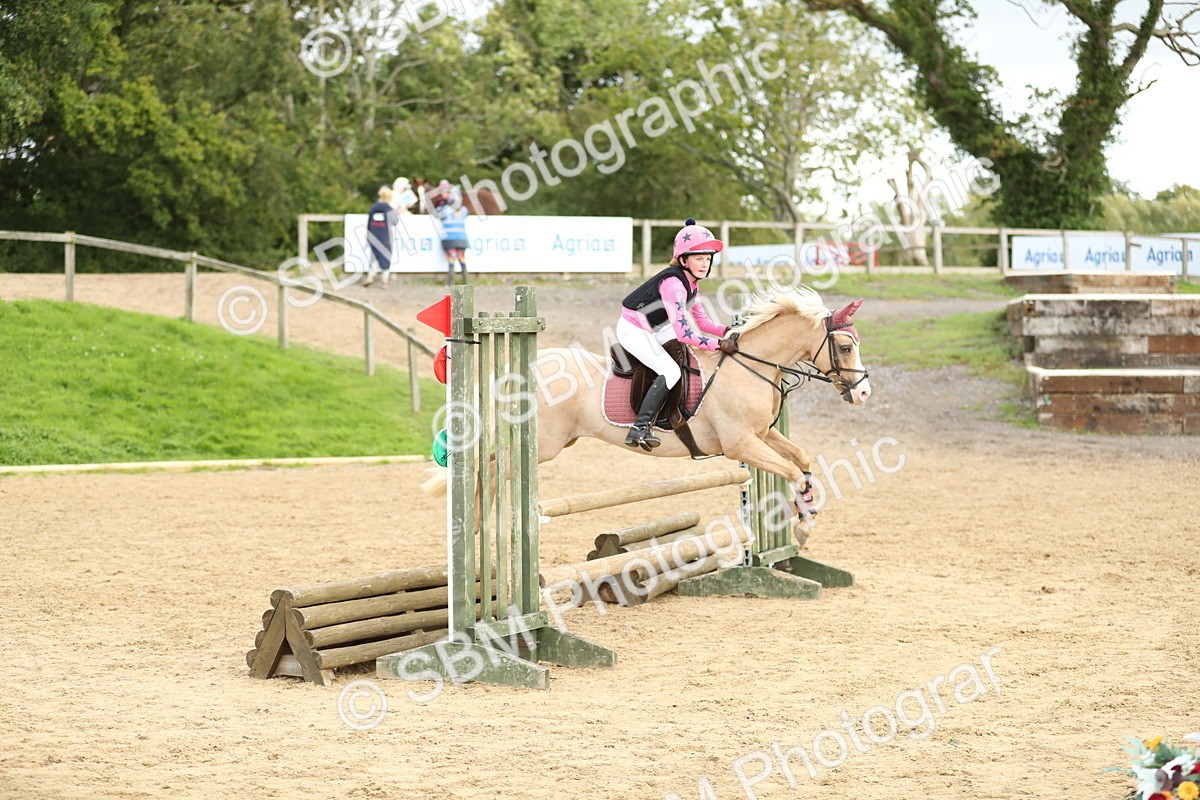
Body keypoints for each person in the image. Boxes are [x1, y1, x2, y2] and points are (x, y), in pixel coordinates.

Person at [617, 218, 739, 450]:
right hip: (633, 330)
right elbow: (684, 333)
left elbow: (702, 322)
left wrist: (731, 331)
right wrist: (718, 344)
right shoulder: (674, 284)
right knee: (670, 370)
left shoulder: (692, 284)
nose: (705, 264)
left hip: (654, 329)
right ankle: (640, 428)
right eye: (699, 259)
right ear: (683, 259)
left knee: (683, 352)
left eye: (708, 259)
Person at [434, 184, 470, 286]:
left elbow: (435, 213)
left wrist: (440, 203)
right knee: (461, 258)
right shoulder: (463, 210)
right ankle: (466, 282)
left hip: (449, 238)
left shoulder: (444, 210)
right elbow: (467, 212)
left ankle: (450, 282)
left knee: (451, 258)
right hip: (462, 238)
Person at [363, 185, 398, 288]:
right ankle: (384, 281)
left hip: (373, 236)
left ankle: (370, 277)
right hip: (385, 237)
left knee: (374, 257)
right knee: (385, 258)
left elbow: (369, 223)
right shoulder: (389, 209)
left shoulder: (373, 208)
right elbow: (395, 222)